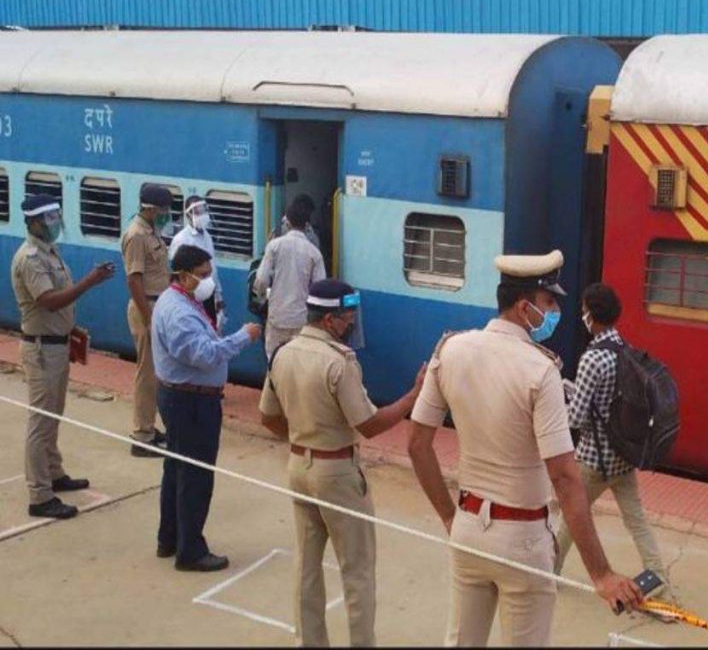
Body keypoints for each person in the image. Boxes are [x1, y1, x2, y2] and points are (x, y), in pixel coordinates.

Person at [408, 250, 643, 648]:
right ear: (524, 307)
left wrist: (451, 518)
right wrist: (601, 574)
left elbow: (417, 445)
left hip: (467, 527)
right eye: (550, 303)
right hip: (523, 539)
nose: (555, 313)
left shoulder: (450, 349)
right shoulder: (540, 370)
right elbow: (566, 479)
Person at [259, 279, 426, 647]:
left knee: (306, 565)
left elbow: (268, 418)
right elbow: (370, 425)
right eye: (347, 315)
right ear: (331, 319)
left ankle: (310, 641)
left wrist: (303, 439)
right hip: (337, 472)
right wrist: (414, 395)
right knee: (358, 571)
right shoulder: (339, 362)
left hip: (298, 467)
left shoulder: (283, 353)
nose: (351, 322)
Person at [151, 245, 261, 572]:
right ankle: (191, 551)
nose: (207, 280)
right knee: (196, 475)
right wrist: (244, 337)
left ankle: (169, 538)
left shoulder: (183, 301)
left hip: (183, 397)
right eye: (201, 275)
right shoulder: (180, 313)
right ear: (182, 276)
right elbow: (205, 355)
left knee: (177, 471)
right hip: (191, 401)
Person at [555, 283, 668, 588]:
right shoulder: (623, 349)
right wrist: (570, 386)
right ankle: (660, 584)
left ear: (591, 314)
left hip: (593, 461)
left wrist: (556, 408)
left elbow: (578, 417)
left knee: (569, 517)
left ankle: (546, 575)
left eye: (584, 311)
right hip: (623, 457)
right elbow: (606, 403)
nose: (582, 316)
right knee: (637, 523)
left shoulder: (591, 358)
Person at [11, 194, 115, 519]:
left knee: (54, 415)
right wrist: (90, 282)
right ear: (34, 222)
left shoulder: (48, 252)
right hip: (42, 350)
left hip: (57, 344)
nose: (56, 222)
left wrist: (70, 329)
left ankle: (54, 474)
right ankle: (39, 495)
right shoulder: (30, 259)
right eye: (50, 218)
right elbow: (49, 300)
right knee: (40, 421)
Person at [121, 182, 173, 457]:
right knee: (147, 373)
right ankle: (142, 435)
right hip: (147, 307)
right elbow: (134, 279)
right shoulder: (137, 235)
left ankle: (150, 427)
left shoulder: (151, 231)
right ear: (151, 209)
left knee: (157, 372)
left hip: (156, 305)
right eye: (164, 210)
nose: (167, 214)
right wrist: (149, 316)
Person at [255, 199, 327, 360]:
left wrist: (264, 296)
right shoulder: (314, 253)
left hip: (277, 316)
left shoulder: (274, 246)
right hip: (301, 320)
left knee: (274, 362)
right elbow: (319, 289)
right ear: (307, 224)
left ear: (287, 221)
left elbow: (261, 280)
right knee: (299, 364)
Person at [169, 196, 225, 333]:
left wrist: (218, 296)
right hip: (193, 295)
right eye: (197, 211)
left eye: (204, 210)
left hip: (209, 294)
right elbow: (178, 273)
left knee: (213, 332)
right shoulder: (181, 239)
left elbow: (213, 269)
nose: (202, 215)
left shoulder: (207, 236)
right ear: (188, 215)